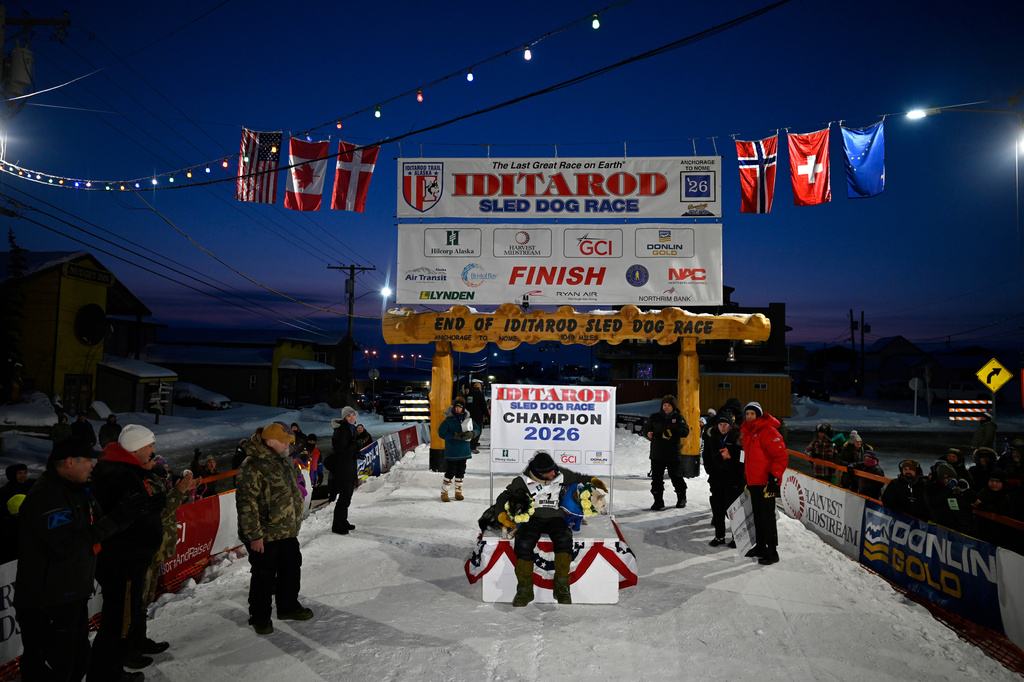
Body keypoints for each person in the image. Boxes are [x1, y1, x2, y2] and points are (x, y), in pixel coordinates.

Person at [16, 436, 156, 682]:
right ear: (70, 462)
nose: (94, 465)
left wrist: (130, 514)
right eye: (89, 460)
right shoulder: (48, 495)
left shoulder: (74, 488)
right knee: (60, 667)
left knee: (78, 660)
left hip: (70, 595)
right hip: (47, 601)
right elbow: (68, 545)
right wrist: (116, 519)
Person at [87, 424, 168, 681]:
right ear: (135, 448)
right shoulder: (121, 475)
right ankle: (108, 675)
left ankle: (111, 670)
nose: (153, 451)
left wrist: (149, 508)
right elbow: (123, 518)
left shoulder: (123, 471)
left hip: (127, 559)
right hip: (124, 562)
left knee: (120, 619)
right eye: (149, 446)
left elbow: (128, 513)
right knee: (119, 622)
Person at [495, 451, 607, 606]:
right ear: (539, 473)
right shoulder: (523, 480)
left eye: (554, 469)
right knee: (524, 542)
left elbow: (580, 478)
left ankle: (562, 588)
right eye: (549, 472)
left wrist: (594, 481)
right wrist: (500, 513)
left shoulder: (559, 474)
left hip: (556, 517)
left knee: (564, 539)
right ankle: (524, 590)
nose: (554, 473)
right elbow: (504, 496)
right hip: (533, 518)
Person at [235, 422, 313, 635]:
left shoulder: (283, 460)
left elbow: (292, 486)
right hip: (264, 535)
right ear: (269, 443)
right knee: (263, 575)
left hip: (286, 530)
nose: (289, 445)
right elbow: (246, 504)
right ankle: (259, 617)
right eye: (284, 441)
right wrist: (254, 536)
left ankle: (288, 606)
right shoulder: (252, 466)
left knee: (291, 567)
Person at [740, 401, 788, 565]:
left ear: (759, 415)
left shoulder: (768, 431)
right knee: (758, 515)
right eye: (747, 414)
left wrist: (775, 478)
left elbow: (781, 456)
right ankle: (760, 546)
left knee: (767, 517)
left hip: (766, 482)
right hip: (754, 481)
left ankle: (772, 551)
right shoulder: (748, 432)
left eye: (752, 414)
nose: (749, 417)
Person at [702, 413, 744, 547]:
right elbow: (706, 456)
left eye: (725, 424)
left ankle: (736, 537)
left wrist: (732, 461)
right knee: (717, 508)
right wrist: (710, 469)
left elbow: (742, 460)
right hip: (716, 479)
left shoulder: (737, 439)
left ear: (730, 426)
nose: (723, 427)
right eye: (720, 424)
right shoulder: (712, 439)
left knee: (732, 509)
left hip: (733, 480)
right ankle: (719, 536)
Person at [643, 395, 689, 510]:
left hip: (672, 453)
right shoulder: (655, 417)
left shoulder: (678, 418)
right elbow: (645, 429)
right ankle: (658, 501)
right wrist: (647, 433)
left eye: (668, 405)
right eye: (664, 405)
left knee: (676, 477)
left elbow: (685, 431)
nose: (666, 407)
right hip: (657, 453)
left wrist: (673, 431)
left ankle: (681, 498)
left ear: (673, 407)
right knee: (656, 479)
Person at [438, 396, 480, 502]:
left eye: (460, 407)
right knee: (450, 471)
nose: (458, 409)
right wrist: (454, 435)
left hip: (464, 450)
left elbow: (477, 429)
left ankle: (458, 492)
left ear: (463, 408)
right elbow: (441, 433)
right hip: (452, 450)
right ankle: (444, 492)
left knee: (461, 471)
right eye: (456, 407)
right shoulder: (448, 420)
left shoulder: (467, 419)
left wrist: (472, 433)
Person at [328, 406, 361, 533]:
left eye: (353, 415)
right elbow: (343, 449)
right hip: (342, 469)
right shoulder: (341, 430)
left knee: (348, 497)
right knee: (344, 497)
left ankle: (343, 520)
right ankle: (337, 525)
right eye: (349, 416)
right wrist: (356, 445)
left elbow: (350, 449)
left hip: (349, 467)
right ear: (344, 418)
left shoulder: (350, 429)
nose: (352, 418)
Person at [924, 459, 976, 534]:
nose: (948, 480)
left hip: (963, 526)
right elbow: (934, 503)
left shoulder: (957, 484)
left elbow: (972, 499)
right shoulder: (932, 486)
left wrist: (966, 489)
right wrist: (948, 489)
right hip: (945, 526)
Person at [466, 380, 490, 454]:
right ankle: (473, 446)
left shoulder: (469, 394)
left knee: (470, 430)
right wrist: (487, 416)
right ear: (480, 388)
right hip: (477, 416)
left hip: (468, 416)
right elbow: (483, 406)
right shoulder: (480, 395)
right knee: (477, 430)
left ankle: (472, 443)